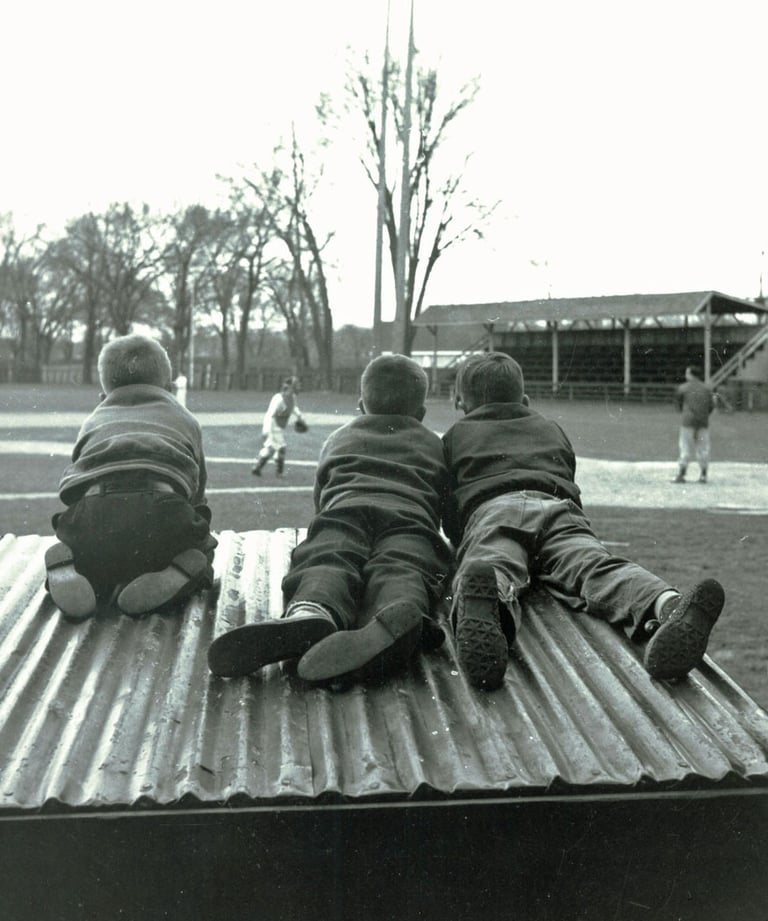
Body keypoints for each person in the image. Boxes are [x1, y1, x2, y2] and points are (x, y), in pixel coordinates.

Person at [442, 351, 725, 691]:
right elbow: (568, 475)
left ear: (459, 401)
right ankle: (665, 602)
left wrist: (461, 537)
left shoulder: (455, 436)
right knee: (595, 566)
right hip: (556, 507)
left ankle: (490, 606)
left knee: (492, 562)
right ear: (525, 400)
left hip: (494, 509)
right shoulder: (550, 428)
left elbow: (450, 509)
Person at [209, 354, 452, 685]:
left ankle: (313, 609)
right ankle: (396, 611)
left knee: (328, 558)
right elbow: (443, 501)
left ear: (361, 406)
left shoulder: (339, 437)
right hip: (410, 519)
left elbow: (321, 497)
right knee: (402, 565)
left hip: (344, 512)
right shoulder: (434, 443)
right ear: (421, 414)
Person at [44, 334, 217, 621]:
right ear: (169, 389)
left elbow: (74, 487)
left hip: (92, 516)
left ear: (103, 396)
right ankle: (180, 571)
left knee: (86, 544)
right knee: (201, 545)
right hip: (162, 513)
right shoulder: (185, 418)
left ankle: (74, 566)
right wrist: (194, 530)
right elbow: (197, 493)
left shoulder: (94, 419)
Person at [251, 376, 306, 477]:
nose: (298, 387)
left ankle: (257, 468)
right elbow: (270, 414)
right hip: (272, 426)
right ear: (290, 387)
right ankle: (279, 473)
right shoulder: (278, 398)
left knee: (271, 449)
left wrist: (300, 416)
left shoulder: (292, 397)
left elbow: (293, 407)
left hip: (279, 427)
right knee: (281, 448)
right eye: (296, 385)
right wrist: (266, 430)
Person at [674, 365, 716, 483]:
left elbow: (678, 405)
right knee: (703, 449)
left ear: (690, 374)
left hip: (687, 421)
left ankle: (682, 474)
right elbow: (711, 406)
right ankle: (703, 475)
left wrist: (683, 411)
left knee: (685, 447)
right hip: (703, 422)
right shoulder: (707, 388)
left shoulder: (683, 387)